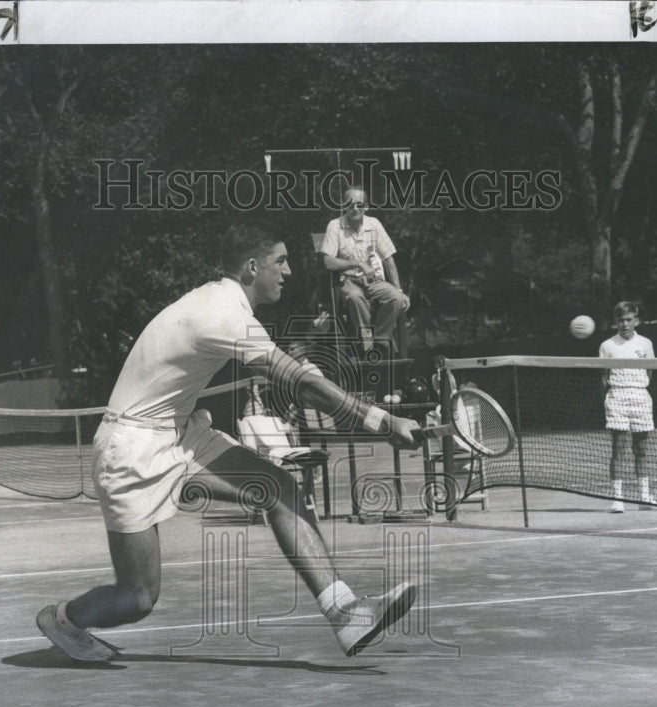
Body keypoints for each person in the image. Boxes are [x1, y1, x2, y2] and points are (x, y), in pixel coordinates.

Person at [37, 221, 422, 662]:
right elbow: (300, 382)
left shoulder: (226, 304)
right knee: (136, 599)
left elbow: (301, 374)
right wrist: (381, 420)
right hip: (131, 449)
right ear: (251, 267)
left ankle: (346, 613)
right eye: (281, 262)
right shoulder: (222, 313)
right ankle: (64, 618)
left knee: (278, 487)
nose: (289, 271)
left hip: (179, 434)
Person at [320, 186, 409, 356]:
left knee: (396, 298)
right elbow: (328, 262)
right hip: (349, 280)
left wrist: (398, 289)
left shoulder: (374, 224)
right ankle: (366, 345)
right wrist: (358, 263)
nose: (355, 209)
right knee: (355, 298)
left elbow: (388, 257)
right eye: (350, 204)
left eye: (360, 205)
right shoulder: (335, 226)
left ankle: (381, 343)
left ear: (366, 206)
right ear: (343, 206)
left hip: (373, 281)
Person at [599, 301, 657, 512]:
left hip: (641, 396)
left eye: (628, 320)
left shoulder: (646, 343)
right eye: (620, 320)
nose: (624, 324)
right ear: (616, 322)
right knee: (619, 450)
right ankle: (617, 499)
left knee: (641, 450)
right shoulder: (607, 346)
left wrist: (639, 387)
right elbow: (603, 377)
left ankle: (644, 498)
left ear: (636, 321)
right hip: (617, 396)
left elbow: (649, 371)